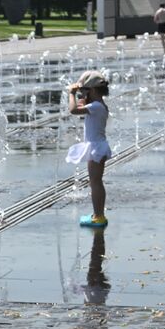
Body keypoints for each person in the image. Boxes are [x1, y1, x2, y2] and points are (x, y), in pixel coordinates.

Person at [68, 70, 111, 228]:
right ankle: (97, 214)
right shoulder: (98, 105)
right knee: (95, 182)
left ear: (92, 91)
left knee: (96, 183)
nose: (81, 94)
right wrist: (82, 95)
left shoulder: (96, 106)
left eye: (83, 91)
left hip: (97, 148)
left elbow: (73, 110)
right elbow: (80, 106)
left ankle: (99, 217)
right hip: (97, 147)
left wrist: (71, 94)